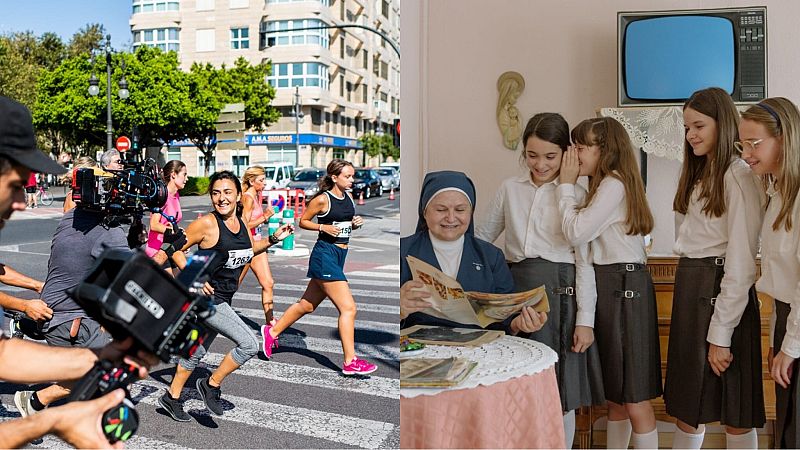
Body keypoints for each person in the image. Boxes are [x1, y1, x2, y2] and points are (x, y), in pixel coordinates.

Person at [0, 95, 157, 448]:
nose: (24, 202)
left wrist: (52, 418)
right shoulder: (97, 226)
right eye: (15, 185)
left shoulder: (83, 220)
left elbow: (4, 356)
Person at [476, 112, 604, 449]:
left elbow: (584, 260)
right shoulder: (510, 188)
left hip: (561, 293)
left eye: (550, 156)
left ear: (568, 153)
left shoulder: (577, 192)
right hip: (515, 288)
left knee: (558, 388)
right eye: (532, 155)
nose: (540, 164)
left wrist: (586, 320)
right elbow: (482, 238)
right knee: (514, 377)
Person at [663, 87, 766, 449]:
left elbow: (741, 263)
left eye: (699, 126)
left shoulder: (739, 177)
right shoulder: (694, 173)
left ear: (723, 125)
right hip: (691, 290)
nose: (691, 134)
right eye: (687, 127)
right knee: (687, 409)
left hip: (723, 297)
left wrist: (720, 334)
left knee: (735, 411)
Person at [558, 117, 660, 449]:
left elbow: (576, 231)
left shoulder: (614, 184)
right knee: (616, 398)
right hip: (613, 287)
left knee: (633, 398)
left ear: (606, 150)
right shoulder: (598, 188)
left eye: (581, 147)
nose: (574, 154)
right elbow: (584, 257)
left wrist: (564, 185)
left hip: (626, 287)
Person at [159, 170, 293, 421]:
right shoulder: (207, 224)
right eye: (216, 193)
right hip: (208, 299)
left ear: (239, 195)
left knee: (195, 351)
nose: (221, 198)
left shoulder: (241, 222)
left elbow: (247, 251)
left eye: (228, 192)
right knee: (249, 345)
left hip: (223, 297)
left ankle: (172, 397)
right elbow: (172, 247)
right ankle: (211, 384)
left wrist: (273, 239)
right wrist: (195, 275)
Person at [262, 159, 379, 375]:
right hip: (324, 255)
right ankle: (350, 361)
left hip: (340, 254)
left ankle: (272, 332)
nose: (352, 180)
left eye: (352, 176)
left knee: (307, 305)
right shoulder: (322, 199)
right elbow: (303, 221)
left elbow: (344, 222)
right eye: (348, 176)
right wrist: (323, 226)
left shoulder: (349, 197)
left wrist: (354, 223)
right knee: (348, 308)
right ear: (334, 177)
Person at [401, 170, 547, 335]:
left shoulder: (491, 257)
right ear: (424, 212)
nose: (450, 218)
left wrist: (519, 324)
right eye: (441, 210)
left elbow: (505, 322)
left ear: (470, 212)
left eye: (460, 210)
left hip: (478, 353)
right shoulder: (402, 251)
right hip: (416, 350)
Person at [737, 98, 800, 448]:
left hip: (797, 326)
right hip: (786, 318)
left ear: (785, 138)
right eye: (742, 144)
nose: (746, 153)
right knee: (787, 429)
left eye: (754, 143)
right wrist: (779, 339)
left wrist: (790, 346)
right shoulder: (776, 194)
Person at [239, 165, 277, 325]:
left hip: (258, 245)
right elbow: (244, 224)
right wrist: (264, 217)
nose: (265, 183)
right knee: (233, 285)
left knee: (268, 283)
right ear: (252, 181)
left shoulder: (256, 196)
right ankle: (214, 311)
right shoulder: (247, 198)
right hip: (249, 245)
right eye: (261, 180)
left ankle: (270, 323)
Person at [145, 160, 187, 275]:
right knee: (170, 290)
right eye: (184, 174)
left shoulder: (176, 195)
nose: (186, 179)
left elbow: (171, 223)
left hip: (169, 248)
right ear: (173, 175)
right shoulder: (162, 195)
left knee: (182, 287)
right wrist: (172, 231)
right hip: (157, 250)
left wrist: (178, 233)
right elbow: (154, 225)